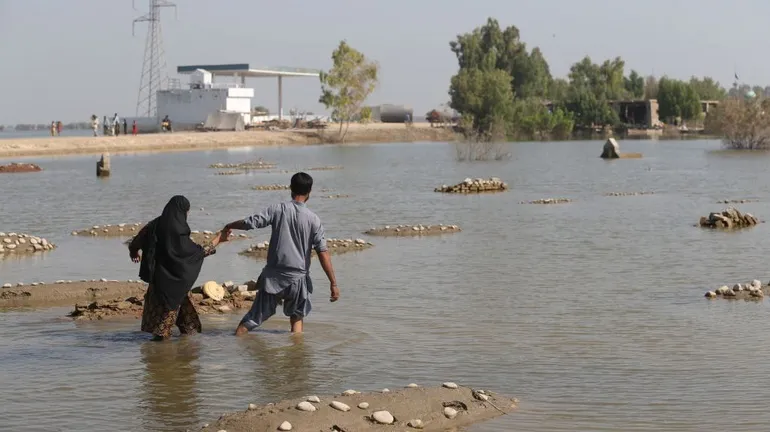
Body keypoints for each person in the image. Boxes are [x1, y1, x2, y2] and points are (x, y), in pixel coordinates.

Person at [222, 172, 339, 335]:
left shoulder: (278, 209)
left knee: (253, 318)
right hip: (298, 280)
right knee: (297, 319)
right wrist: (333, 283)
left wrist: (230, 225)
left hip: (273, 278)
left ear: (291, 188)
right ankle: (296, 357)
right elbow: (323, 252)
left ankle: (236, 343)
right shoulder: (314, 220)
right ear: (309, 192)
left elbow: (251, 222)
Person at [129, 195, 228, 340]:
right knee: (162, 335)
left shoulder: (154, 225)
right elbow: (197, 253)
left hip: (158, 285)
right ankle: (165, 359)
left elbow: (136, 241)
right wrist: (219, 239)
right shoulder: (179, 233)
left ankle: (180, 355)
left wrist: (134, 251)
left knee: (186, 328)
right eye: (187, 212)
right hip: (175, 289)